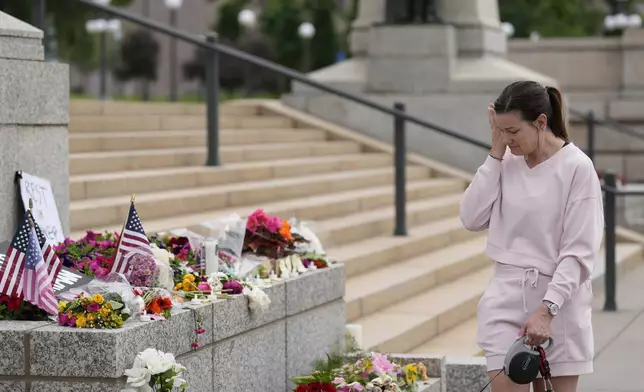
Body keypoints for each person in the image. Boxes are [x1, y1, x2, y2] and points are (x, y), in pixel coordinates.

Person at [460, 81, 603, 392]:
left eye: (512, 131)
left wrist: (547, 309)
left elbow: (579, 252)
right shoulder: (503, 162)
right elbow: (471, 218)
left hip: (560, 303)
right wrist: (495, 155)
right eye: (499, 130)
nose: (506, 139)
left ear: (541, 122)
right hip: (506, 295)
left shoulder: (577, 168)